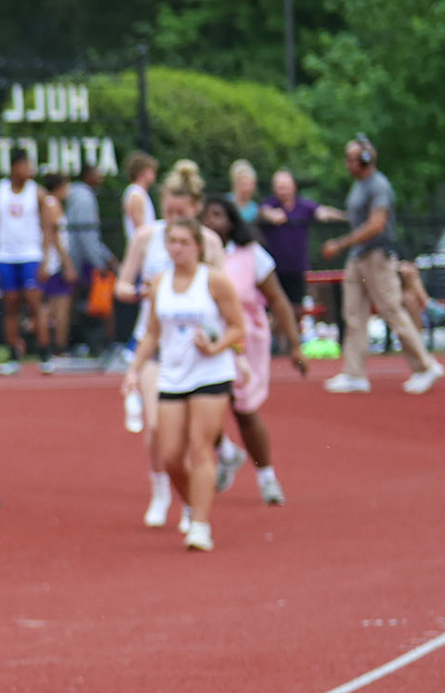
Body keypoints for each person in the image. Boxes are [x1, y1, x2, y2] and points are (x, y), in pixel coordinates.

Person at [115, 164, 231, 528]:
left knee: (195, 439)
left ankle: (197, 500)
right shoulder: (147, 238)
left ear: (195, 208)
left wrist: (226, 347)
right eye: (170, 211)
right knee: (155, 429)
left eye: (183, 213)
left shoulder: (208, 243)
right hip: (155, 342)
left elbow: (222, 299)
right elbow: (122, 285)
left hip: (198, 349)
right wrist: (141, 292)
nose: (175, 219)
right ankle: (163, 491)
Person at [121, 217, 246, 552]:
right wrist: (134, 369)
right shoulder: (160, 283)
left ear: (198, 247)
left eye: (183, 242)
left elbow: (237, 327)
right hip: (173, 374)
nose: (176, 248)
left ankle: (201, 526)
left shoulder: (215, 282)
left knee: (200, 446)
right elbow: (151, 334)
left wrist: (216, 347)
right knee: (172, 455)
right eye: (171, 241)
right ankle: (193, 503)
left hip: (211, 373)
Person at [202, 196, 308, 505]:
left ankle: (267, 477)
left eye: (218, 215)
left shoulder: (251, 255)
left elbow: (277, 299)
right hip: (207, 340)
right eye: (206, 215)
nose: (210, 221)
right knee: (203, 403)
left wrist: (295, 345)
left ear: (232, 222)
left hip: (244, 340)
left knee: (244, 409)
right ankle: (226, 452)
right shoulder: (195, 255)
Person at [320, 135, 444, 394]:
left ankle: (425, 366)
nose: (346, 163)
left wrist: (340, 244)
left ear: (364, 160)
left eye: (350, 158)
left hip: (377, 257)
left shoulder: (379, 186)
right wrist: (338, 215)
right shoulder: (359, 185)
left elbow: (376, 225)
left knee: (391, 311)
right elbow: (360, 220)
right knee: (354, 315)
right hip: (358, 259)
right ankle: (354, 374)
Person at [0, 148, 46, 375]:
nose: (28, 169)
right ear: (14, 166)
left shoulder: (36, 192)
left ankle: (44, 353)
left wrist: (47, 257)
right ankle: (13, 355)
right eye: (24, 164)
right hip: (6, 255)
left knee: (34, 301)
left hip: (31, 254)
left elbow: (47, 226)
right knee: (10, 304)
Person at [256, 168, 344, 310]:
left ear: (293, 187)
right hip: (273, 269)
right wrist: (270, 216)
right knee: (274, 307)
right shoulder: (270, 204)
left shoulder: (304, 206)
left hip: (296, 268)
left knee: (296, 307)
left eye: (285, 187)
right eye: (279, 187)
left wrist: (346, 216)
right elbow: (263, 212)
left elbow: (322, 211)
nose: (282, 191)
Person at [64, 162, 117, 353]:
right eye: (97, 173)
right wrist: (99, 261)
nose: (101, 177)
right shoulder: (84, 199)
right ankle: (99, 344)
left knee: (81, 304)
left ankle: (84, 343)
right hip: (84, 260)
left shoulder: (79, 196)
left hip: (82, 258)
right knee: (97, 304)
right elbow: (86, 234)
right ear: (88, 175)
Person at [34, 171, 77, 367]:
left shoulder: (51, 204)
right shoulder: (51, 205)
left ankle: (54, 347)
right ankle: (58, 348)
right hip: (55, 263)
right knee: (59, 307)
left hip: (54, 261)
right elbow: (54, 236)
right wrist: (66, 263)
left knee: (54, 307)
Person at [121, 150, 159, 241]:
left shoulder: (140, 193)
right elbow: (140, 228)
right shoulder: (136, 195)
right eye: (151, 171)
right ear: (142, 172)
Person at [228, 160, 261, 224]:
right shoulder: (226, 202)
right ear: (235, 183)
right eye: (243, 184)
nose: (246, 189)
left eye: (249, 185)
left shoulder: (255, 210)